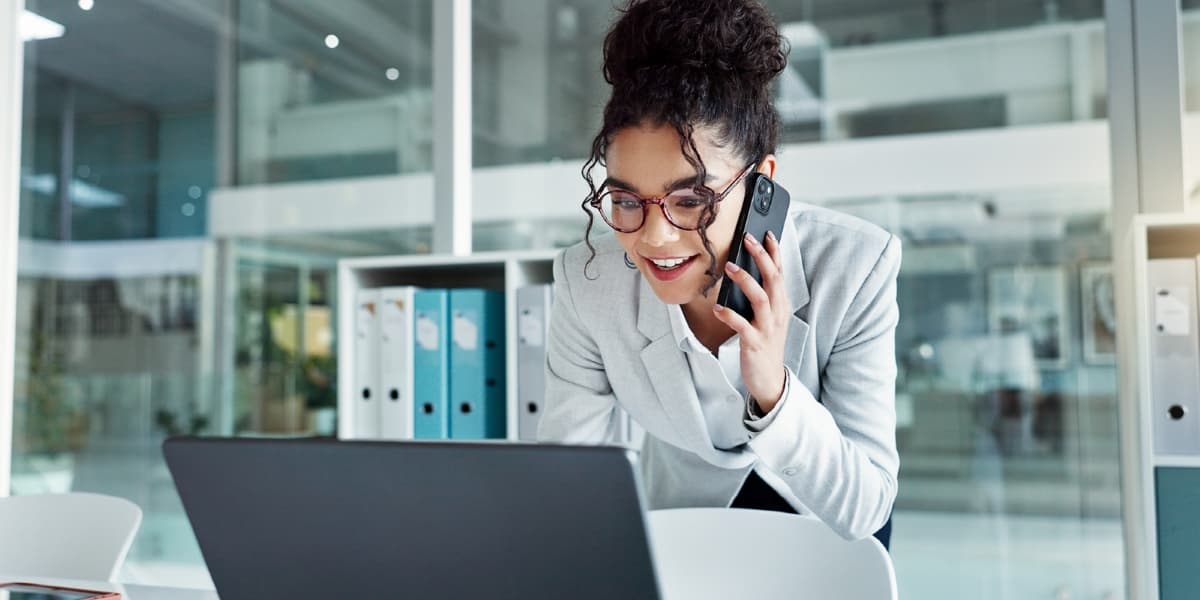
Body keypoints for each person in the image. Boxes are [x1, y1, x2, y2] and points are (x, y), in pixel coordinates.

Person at [537, 0, 900, 546]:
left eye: (691, 200)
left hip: (827, 528)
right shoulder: (589, 282)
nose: (654, 237)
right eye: (626, 201)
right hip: (685, 528)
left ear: (762, 182)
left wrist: (773, 390)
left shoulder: (854, 267)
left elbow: (865, 506)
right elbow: (571, 481)